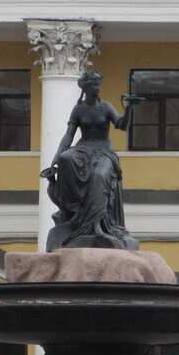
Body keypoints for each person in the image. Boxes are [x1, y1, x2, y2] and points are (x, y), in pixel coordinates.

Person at [42, 70, 143, 251]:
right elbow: (68, 135)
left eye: (99, 84)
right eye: (95, 84)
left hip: (104, 150)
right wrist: (55, 159)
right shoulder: (79, 109)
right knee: (66, 158)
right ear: (85, 87)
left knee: (99, 175)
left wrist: (128, 109)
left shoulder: (106, 106)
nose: (98, 87)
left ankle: (96, 224)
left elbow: (122, 125)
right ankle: (74, 212)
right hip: (83, 148)